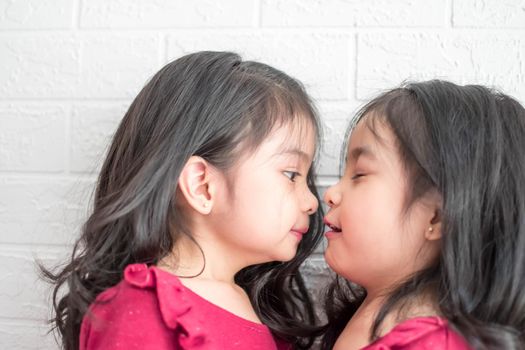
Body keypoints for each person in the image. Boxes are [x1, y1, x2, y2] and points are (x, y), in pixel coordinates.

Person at [42, 51, 325, 350]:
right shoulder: (144, 309)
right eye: (292, 174)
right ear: (201, 185)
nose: (312, 202)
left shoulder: (255, 308)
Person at [321, 80, 525, 349]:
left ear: (437, 217)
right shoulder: (379, 316)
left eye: (359, 175)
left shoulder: (433, 343)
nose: (330, 194)